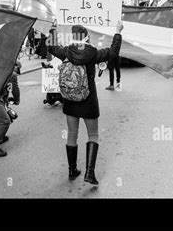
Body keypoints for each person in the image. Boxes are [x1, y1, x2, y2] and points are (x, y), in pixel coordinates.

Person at [48, 22, 123, 185]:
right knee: (93, 135)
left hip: (70, 100)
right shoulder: (93, 53)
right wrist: (117, 32)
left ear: (73, 37)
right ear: (87, 37)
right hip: (88, 100)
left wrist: (53, 28)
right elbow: (113, 52)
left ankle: (72, 170)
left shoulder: (66, 51)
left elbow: (51, 47)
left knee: (72, 134)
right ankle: (89, 173)